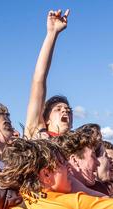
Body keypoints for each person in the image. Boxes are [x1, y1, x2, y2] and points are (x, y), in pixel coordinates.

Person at [24, 9, 72, 139]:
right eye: (58, 109)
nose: (65, 110)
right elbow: (39, 79)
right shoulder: (38, 134)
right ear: (47, 119)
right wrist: (52, 33)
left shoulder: (78, 147)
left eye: (68, 110)